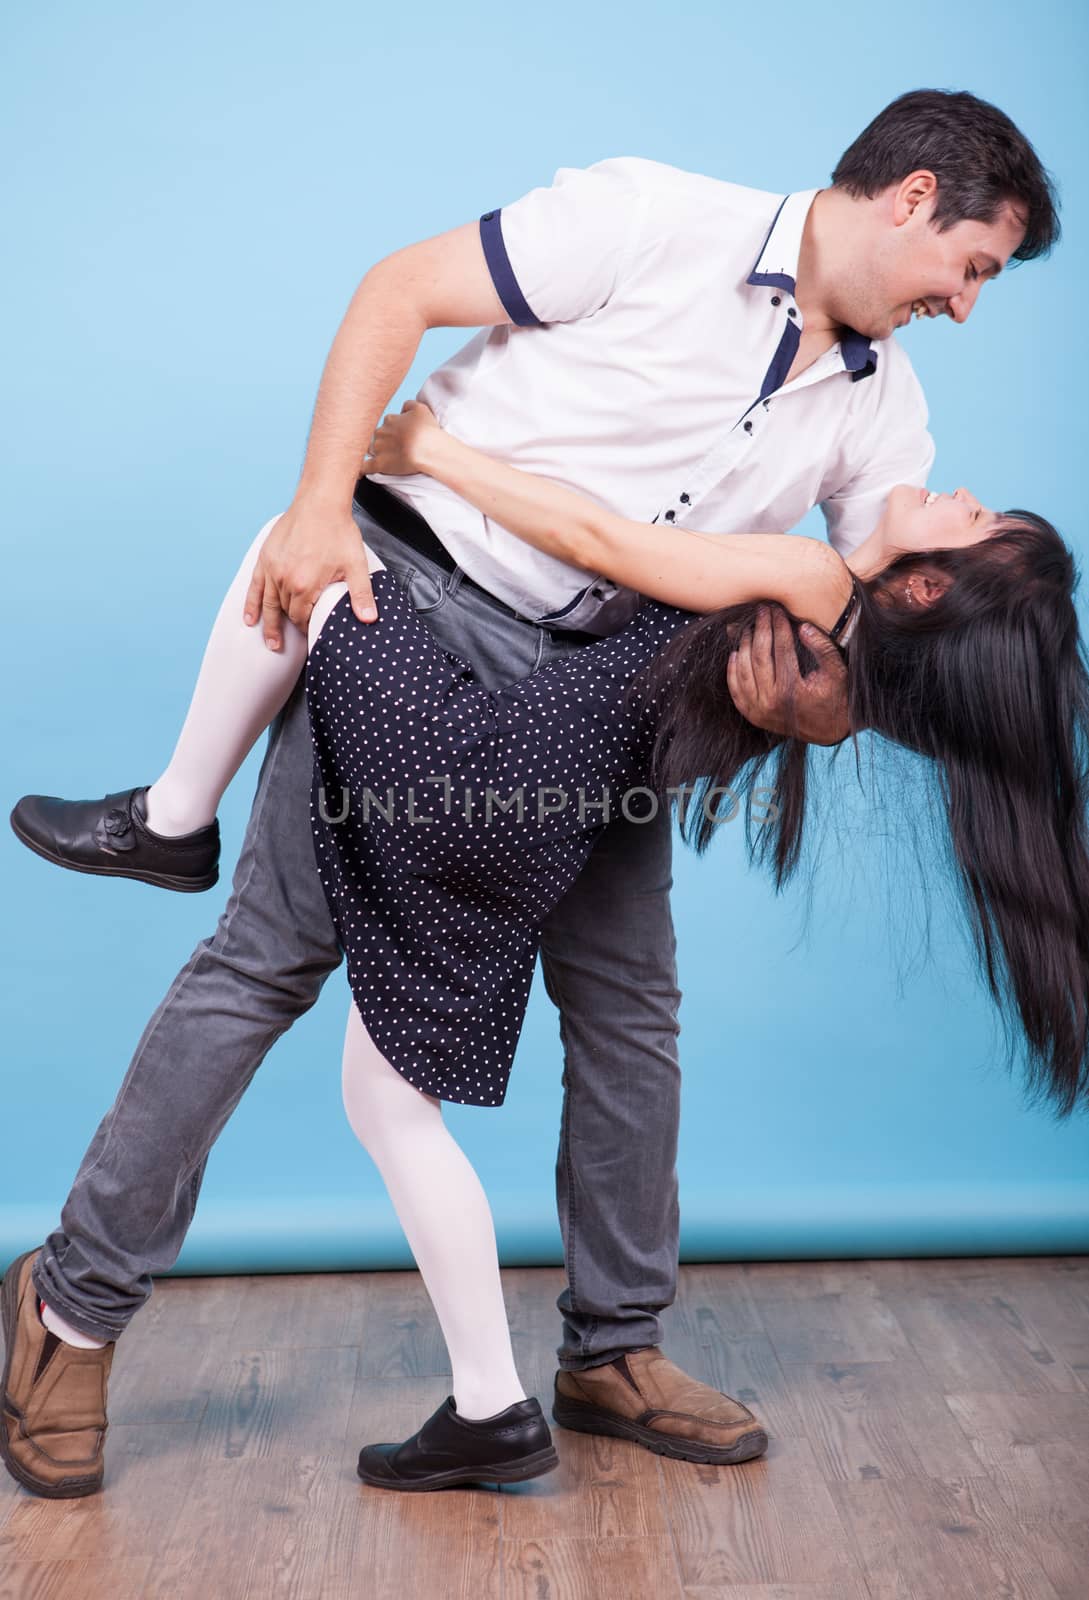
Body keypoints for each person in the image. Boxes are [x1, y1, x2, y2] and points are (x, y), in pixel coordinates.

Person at [0, 88, 1061, 1499]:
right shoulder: (647, 219)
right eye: (973, 268)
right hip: (417, 604)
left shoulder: (887, 417)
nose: (966, 306)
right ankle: (69, 1317)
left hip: (603, 696)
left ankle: (611, 1351)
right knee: (265, 965)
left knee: (629, 1003)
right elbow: (399, 291)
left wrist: (799, 710)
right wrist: (319, 507)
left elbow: (889, 638)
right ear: (914, 197)